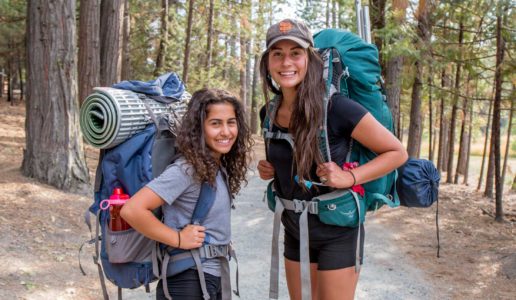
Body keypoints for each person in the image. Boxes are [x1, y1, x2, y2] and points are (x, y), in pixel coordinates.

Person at [257, 19, 408, 300]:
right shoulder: (268, 112)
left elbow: (397, 152)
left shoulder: (337, 108)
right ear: (267, 62)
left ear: (309, 60)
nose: (286, 62)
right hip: (294, 227)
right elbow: (289, 160)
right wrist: (269, 168)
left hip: (338, 230)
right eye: (277, 54)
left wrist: (349, 177)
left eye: (295, 53)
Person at [121, 88, 253, 300]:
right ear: (199, 128)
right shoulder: (187, 169)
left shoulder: (216, 165)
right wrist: (178, 238)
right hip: (188, 281)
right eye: (215, 123)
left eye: (231, 122)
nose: (226, 131)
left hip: (210, 276)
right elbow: (132, 210)